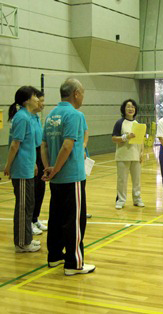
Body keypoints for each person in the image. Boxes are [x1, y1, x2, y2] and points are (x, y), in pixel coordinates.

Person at [41, 78, 95, 275]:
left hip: (55, 179)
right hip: (71, 177)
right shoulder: (75, 114)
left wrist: (48, 168)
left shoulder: (51, 115)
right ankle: (74, 263)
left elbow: (44, 145)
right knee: (74, 220)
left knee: (56, 217)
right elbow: (68, 145)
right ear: (76, 94)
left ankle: (55, 255)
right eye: (83, 93)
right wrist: (54, 170)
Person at [4, 86, 41, 253]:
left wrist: (33, 163)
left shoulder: (29, 117)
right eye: (34, 96)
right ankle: (21, 243)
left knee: (29, 205)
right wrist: (8, 165)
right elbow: (15, 145)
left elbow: (29, 144)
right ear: (26, 100)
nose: (37, 100)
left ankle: (27, 239)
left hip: (27, 167)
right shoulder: (22, 118)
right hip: (20, 169)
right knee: (23, 207)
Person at [111, 99, 145, 209]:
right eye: (128, 107)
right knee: (122, 180)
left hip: (135, 155)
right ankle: (121, 200)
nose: (131, 109)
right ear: (124, 109)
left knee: (136, 180)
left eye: (133, 107)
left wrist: (142, 153)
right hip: (123, 155)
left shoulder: (137, 124)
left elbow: (141, 140)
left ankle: (137, 198)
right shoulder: (119, 123)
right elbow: (114, 138)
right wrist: (126, 137)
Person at [31, 90, 48, 234]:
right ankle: (29, 221)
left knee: (40, 188)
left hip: (39, 154)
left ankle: (35, 218)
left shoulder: (36, 117)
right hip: (31, 155)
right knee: (31, 191)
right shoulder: (25, 118)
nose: (42, 104)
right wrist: (33, 161)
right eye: (40, 100)